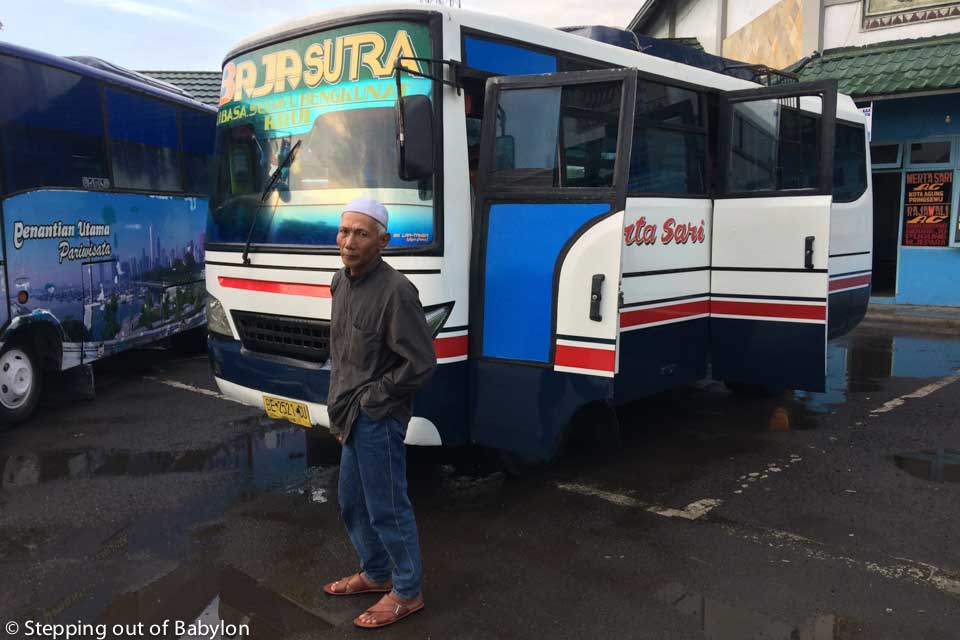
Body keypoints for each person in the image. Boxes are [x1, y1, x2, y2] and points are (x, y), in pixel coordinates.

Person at [322, 196, 437, 629]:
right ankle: (375, 573)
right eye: (344, 231)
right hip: (349, 415)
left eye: (361, 233)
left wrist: (372, 402)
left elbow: (421, 364)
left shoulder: (397, 292)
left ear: (383, 241)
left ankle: (407, 592)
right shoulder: (340, 282)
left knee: (387, 507)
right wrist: (339, 414)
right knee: (351, 501)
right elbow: (343, 355)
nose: (349, 241)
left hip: (377, 417)